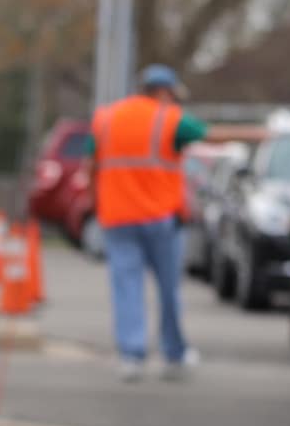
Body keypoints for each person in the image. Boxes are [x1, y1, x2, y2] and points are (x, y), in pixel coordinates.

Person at [88, 63, 208, 381]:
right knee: (168, 288)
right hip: (161, 218)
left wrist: (95, 200)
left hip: (117, 217)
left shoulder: (106, 117)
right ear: (165, 92)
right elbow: (202, 133)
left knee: (126, 287)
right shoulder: (169, 118)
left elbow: (91, 162)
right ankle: (174, 352)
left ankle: (131, 355)